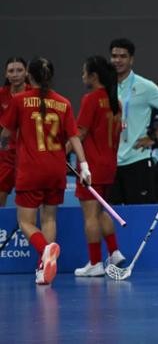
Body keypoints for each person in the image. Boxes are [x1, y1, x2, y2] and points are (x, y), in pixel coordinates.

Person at [0, 58, 90, 285]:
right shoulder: (63, 103)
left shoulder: (19, 100)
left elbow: (6, 134)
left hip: (30, 171)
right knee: (49, 218)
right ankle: (43, 268)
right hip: (56, 170)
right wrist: (84, 165)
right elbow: (74, 137)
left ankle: (45, 250)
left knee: (26, 222)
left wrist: (4, 143)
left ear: (29, 76)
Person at [73, 56, 126, 276]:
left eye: (84, 72)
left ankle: (95, 263)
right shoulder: (116, 102)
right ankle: (114, 252)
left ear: (93, 76)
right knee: (101, 210)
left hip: (91, 166)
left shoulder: (91, 99)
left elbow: (80, 133)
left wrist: (60, 151)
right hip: (109, 165)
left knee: (90, 215)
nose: (82, 76)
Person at [109, 38, 158, 204]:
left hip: (137, 159)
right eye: (114, 56)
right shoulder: (106, 86)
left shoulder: (145, 86)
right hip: (111, 161)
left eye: (123, 56)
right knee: (113, 214)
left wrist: (154, 138)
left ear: (131, 59)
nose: (118, 60)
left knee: (139, 213)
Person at [0, 57, 30, 207]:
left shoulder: (34, 93)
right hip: (6, 155)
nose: (15, 74)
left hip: (29, 155)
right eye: (11, 71)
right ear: (6, 74)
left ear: (26, 72)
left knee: (28, 197)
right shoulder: (1, 95)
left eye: (19, 70)